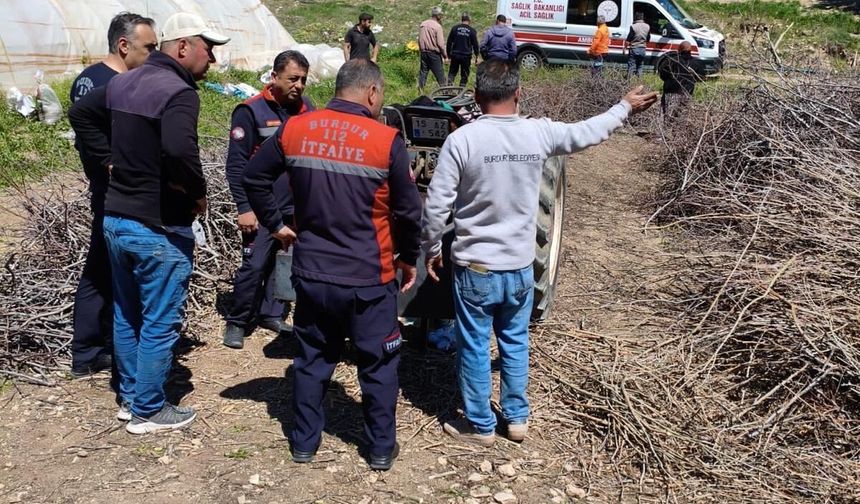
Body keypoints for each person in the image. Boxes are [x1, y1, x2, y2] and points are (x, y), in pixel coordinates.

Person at [421, 59, 657, 446]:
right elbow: (588, 132)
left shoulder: (462, 140)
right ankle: (516, 420)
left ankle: (480, 425)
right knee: (515, 341)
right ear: (518, 94)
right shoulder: (538, 133)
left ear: (477, 97)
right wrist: (624, 107)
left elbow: (436, 207)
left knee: (475, 345)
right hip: (519, 268)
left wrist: (431, 248)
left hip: (476, 268)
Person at [242, 59, 422, 470]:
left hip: (313, 273)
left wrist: (275, 224)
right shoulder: (385, 140)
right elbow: (410, 213)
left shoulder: (296, 128)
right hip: (368, 278)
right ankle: (379, 449)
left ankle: (304, 444)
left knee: (311, 358)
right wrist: (407, 257)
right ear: (373, 93)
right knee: (377, 363)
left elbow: (254, 176)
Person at [69, 11, 229, 434]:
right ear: (182, 47)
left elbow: (81, 115)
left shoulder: (121, 81)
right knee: (159, 318)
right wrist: (196, 193)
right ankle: (148, 410)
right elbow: (179, 150)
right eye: (207, 47)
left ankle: (129, 397)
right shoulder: (177, 91)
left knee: (127, 312)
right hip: (156, 227)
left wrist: (108, 160)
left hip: (116, 218)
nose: (211, 58)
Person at [69, 12, 157, 379]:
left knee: (105, 269)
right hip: (112, 194)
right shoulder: (98, 83)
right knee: (102, 269)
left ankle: (96, 347)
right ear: (124, 45)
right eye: (148, 47)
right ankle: (89, 351)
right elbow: (87, 129)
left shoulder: (115, 80)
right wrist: (109, 164)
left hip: (120, 192)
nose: (153, 54)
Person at [222, 51, 314, 350]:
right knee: (254, 265)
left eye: (303, 79)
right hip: (261, 209)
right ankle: (237, 321)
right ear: (274, 77)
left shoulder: (308, 109)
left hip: (295, 206)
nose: (298, 85)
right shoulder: (250, 112)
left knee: (284, 261)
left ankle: (271, 313)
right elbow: (236, 166)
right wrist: (244, 207)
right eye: (292, 79)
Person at [658, 41, 699, 118]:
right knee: (682, 118)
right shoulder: (695, 63)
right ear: (691, 50)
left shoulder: (671, 61)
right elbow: (697, 78)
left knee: (667, 116)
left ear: (679, 49)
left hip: (670, 93)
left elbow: (662, 74)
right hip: (687, 93)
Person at [418, 7, 448, 94]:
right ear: (438, 15)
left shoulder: (423, 24)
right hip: (434, 54)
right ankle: (445, 93)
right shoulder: (437, 27)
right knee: (440, 75)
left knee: (423, 73)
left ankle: (420, 91)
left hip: (423, 53)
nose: (441, 17)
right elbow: (440, 44)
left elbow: (420, 39)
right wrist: (445, 55)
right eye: (441, 15)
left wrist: (421, 49)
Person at [446, 13, 479, 87]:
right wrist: (477, 55)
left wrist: (448, 55)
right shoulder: (472, 31)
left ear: (462, 19)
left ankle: (449, 88)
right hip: (466, 56)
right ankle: (461, 90)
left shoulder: (455, 28)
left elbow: (449, 42)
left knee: (452, 72)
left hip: (455, 54)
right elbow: (475, 45)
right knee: (464, 75)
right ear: (469, 20)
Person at [626, 12, 650, 79]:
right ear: (642, 18)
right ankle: (639, 81)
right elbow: (648, 39)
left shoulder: (633, 27)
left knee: (631, 65)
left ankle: (629, 80)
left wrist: (624, 49)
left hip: (634, 48)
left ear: (636, 18)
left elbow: (628, 40)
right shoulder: (647, 26)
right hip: (642, 49)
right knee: (640, 66)